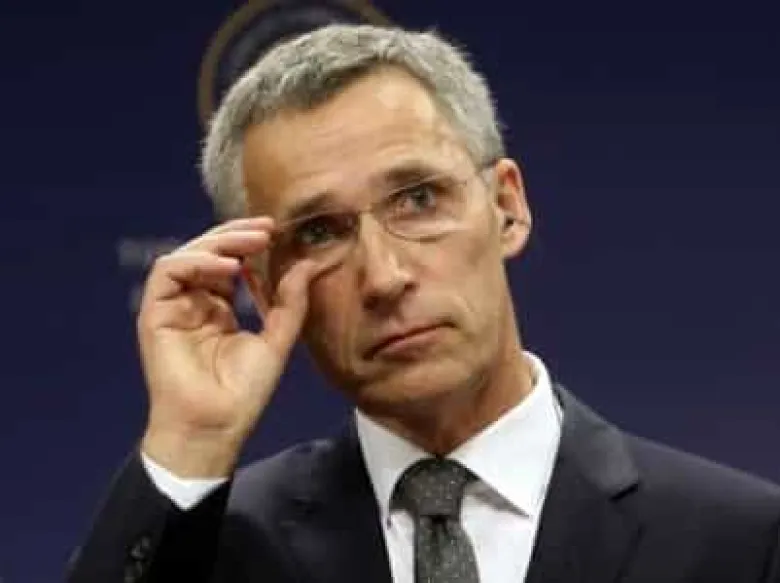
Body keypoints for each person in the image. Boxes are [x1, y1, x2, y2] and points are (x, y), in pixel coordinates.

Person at [67, 23, 780, 583]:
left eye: (418, 199)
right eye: (319, 232)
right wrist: (190, 441)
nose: (384, 277)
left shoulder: (740, 541)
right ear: (262, 287)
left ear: (506, 207)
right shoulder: (211, 550)